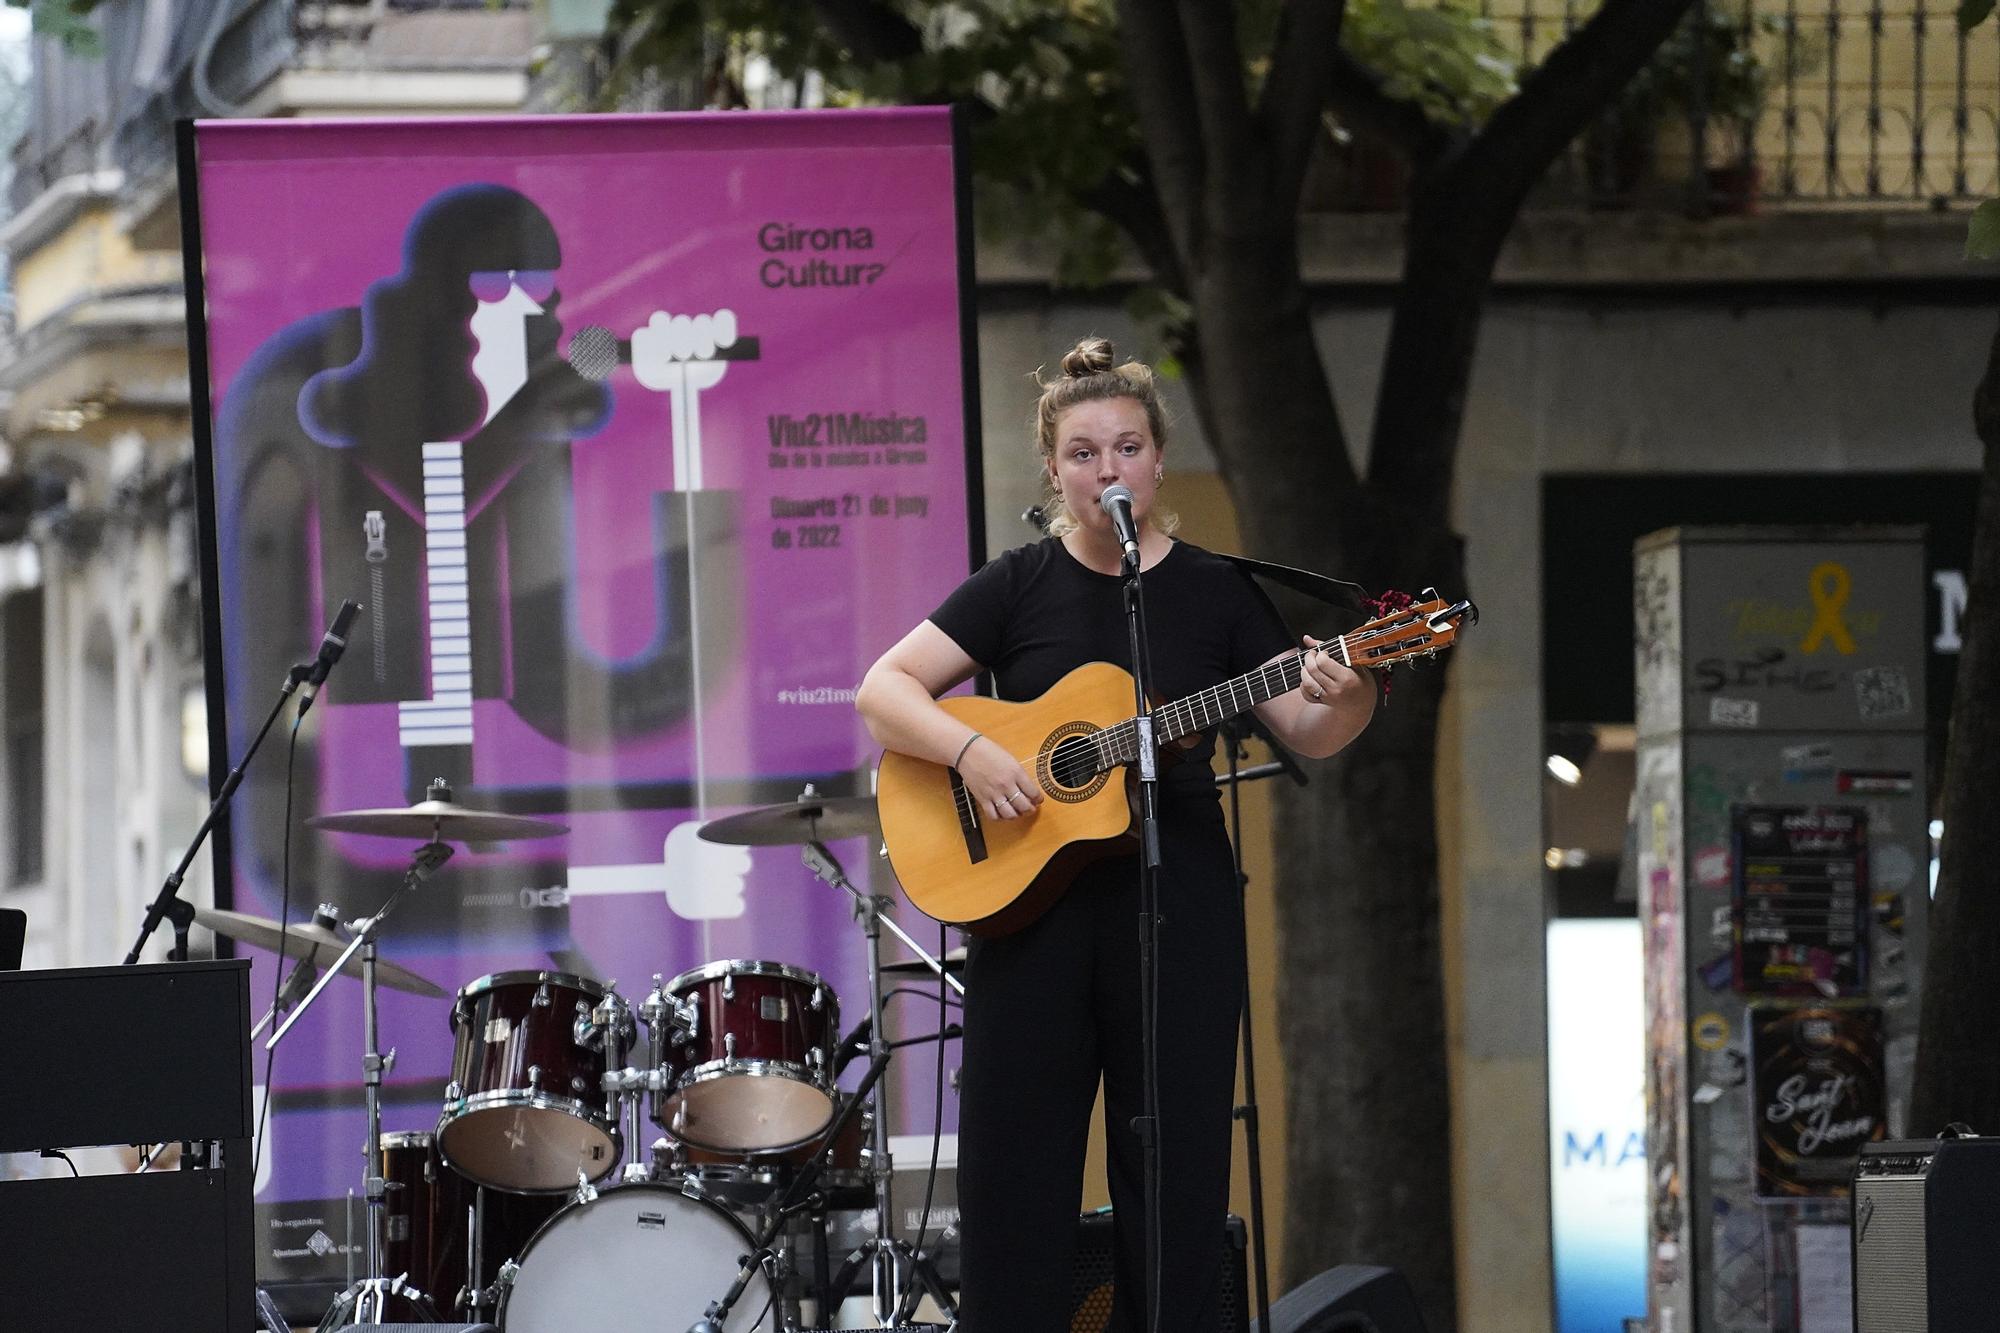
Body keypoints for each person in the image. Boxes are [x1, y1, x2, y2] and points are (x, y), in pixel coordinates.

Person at [855, 337, 1376, 1332]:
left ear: (1156, 461)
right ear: (1053, 470)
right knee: (1016, 1175)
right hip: (1027, 916)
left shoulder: (1215, 589)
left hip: (1175, 898)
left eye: (1126, 448)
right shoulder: (1017, 583)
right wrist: (972, 754)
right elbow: (884, 691)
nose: (1108, 470)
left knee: (1176, 1172)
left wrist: (1346, 691)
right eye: (1085, 452)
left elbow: (1308, 726)